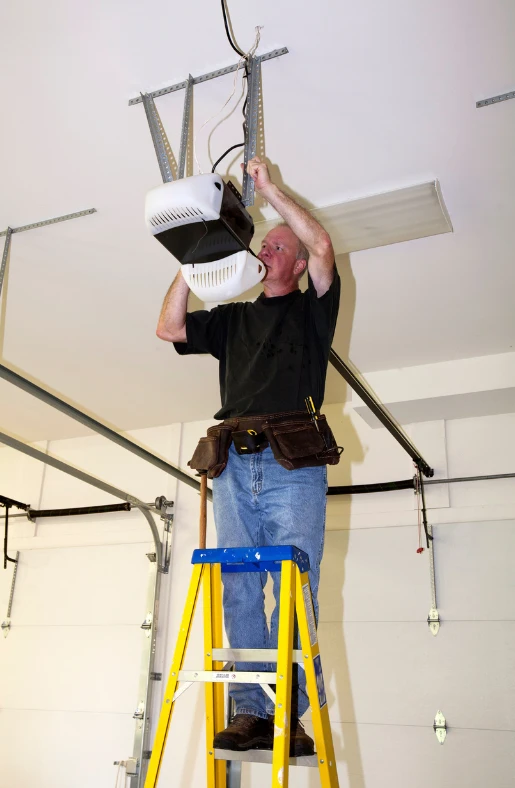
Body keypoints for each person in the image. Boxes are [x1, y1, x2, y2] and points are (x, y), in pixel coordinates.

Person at [156, 156, 340, 756]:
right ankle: (251, 711)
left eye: (279, 246)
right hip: (233, 462)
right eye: (265, 243)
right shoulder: (233, 320)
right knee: (237, 584)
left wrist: (270, 190)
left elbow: (323, 246)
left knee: (293, 583)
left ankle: (289, 710)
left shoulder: (313, 311)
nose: (267, 249)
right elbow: (169, 328)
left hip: (293, 462)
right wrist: (193, 261)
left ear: (296, 263)